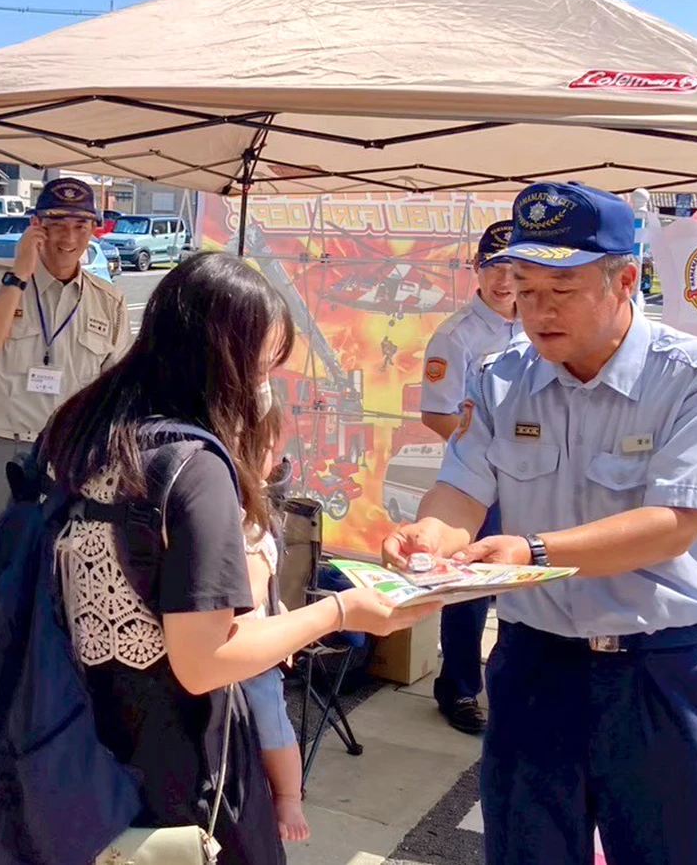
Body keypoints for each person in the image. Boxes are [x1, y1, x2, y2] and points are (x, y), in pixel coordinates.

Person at [383, 182, 697, 865]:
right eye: (524, 290)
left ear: (624, 281)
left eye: (562, 290)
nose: (538, 312)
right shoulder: (501, 379)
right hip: (536, 664)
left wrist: (535, 549)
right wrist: (429, 537)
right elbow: (461, 487)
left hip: (661, 672)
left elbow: (674, 523)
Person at [43, 252, 437, 864]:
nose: (266, 386)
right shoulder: (193, 470)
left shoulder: (90, 431)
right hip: (183, 767)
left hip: (76, 738)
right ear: (222, 358)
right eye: (262, 365)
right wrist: (340, 612)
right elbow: (205, 661)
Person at [0, 177, 130, 533]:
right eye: (57, 225)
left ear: (94, 229)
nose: (68, 239)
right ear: (37, 226)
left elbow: (117, 391)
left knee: (66, 564)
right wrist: (19, 276)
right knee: (4, 564)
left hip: (74, 453)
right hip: (8, 448)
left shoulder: (108, 301)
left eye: (80, 226)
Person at [418, 219, 519, 735]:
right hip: (477, 482)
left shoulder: (538, 326)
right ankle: (458, 690)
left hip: (530, 483)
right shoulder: (457, 336)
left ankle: (511, 685)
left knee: (526, 587)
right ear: (475, 271)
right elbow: (435, 414)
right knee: (469, 589)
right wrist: (481, 441)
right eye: (492, 267)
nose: (503, 281)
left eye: (512, 268)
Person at [240, 446, 307, 842]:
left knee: (270, 717)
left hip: (254, 646)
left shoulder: (259, 515)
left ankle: (288, 795)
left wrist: (281, 616)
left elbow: (262, 588)